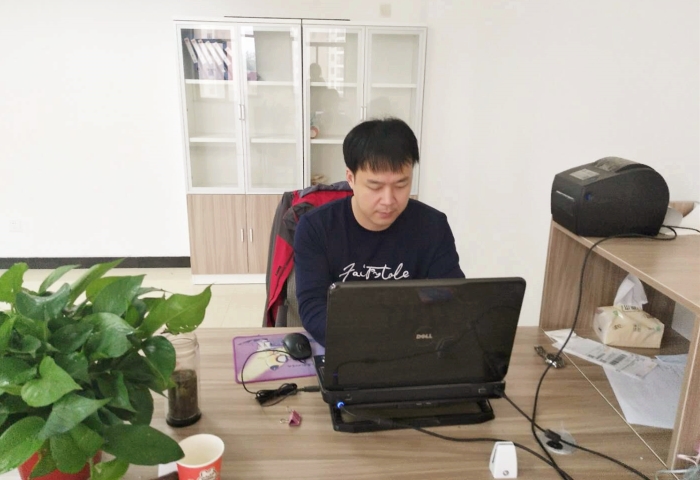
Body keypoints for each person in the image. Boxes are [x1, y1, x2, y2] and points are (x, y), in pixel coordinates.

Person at [294, 118, 464, 346]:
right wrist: (373, 339)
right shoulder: (316, 228)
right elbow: (313, 308)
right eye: (375, 186)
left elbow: (450, 295)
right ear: (351, 178)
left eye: (401, 185)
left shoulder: (433, 226)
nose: (388, 200)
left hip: (412, 345)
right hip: (346, 344)